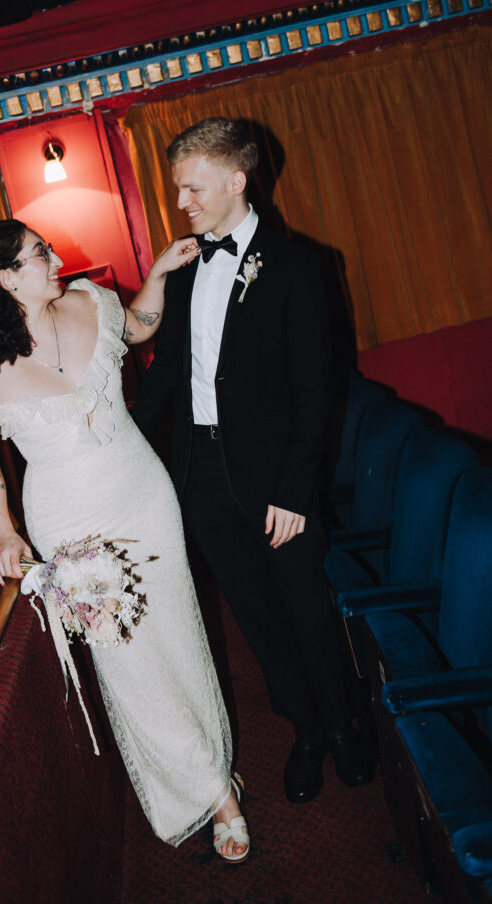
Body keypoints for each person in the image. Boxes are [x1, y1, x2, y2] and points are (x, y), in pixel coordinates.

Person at [0, 218, 249, 861]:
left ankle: (210, 765)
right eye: (41, 254)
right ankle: (214, 793)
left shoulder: (91, 301)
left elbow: (139, 328)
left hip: (144, 496)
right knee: (130, 663)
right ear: (7, 279)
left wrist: (158, 274)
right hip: (71, 526)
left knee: (177, 630)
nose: (56, 258)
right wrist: (1, 530)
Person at [131, 117, 373, 804]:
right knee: (257, 617)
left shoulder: (298, 265)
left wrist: (295, 489)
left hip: (276, 480)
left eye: (192, 188)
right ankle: (305, 731)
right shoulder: (184, 268)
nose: (181, 202)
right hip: (202, 478)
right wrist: (120, 442)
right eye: (178, 189)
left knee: (306, 609)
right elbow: (167, 374)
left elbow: (314, 388)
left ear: (237, 180)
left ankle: (343, 725)